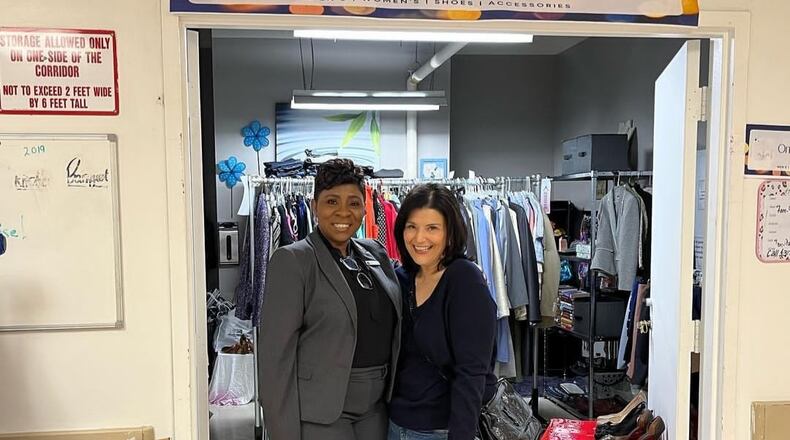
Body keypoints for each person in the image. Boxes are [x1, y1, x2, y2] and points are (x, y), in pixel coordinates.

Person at [259, 159, 402, 440]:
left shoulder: (375, 253)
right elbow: (275, 360)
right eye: (331, 201)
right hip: (323, 413)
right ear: (314, 206)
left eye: (353, 203)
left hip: (375, 409)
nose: (343, 212)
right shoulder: (294, 261)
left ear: (364, 207)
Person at [388, 183, 497, 440]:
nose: (419, 238)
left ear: (450, 233)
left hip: (442, 429)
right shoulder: (401, 278)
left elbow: (471, 372)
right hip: (395, 424)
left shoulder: (464, 280)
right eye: (411, 227)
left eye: (432, 228)